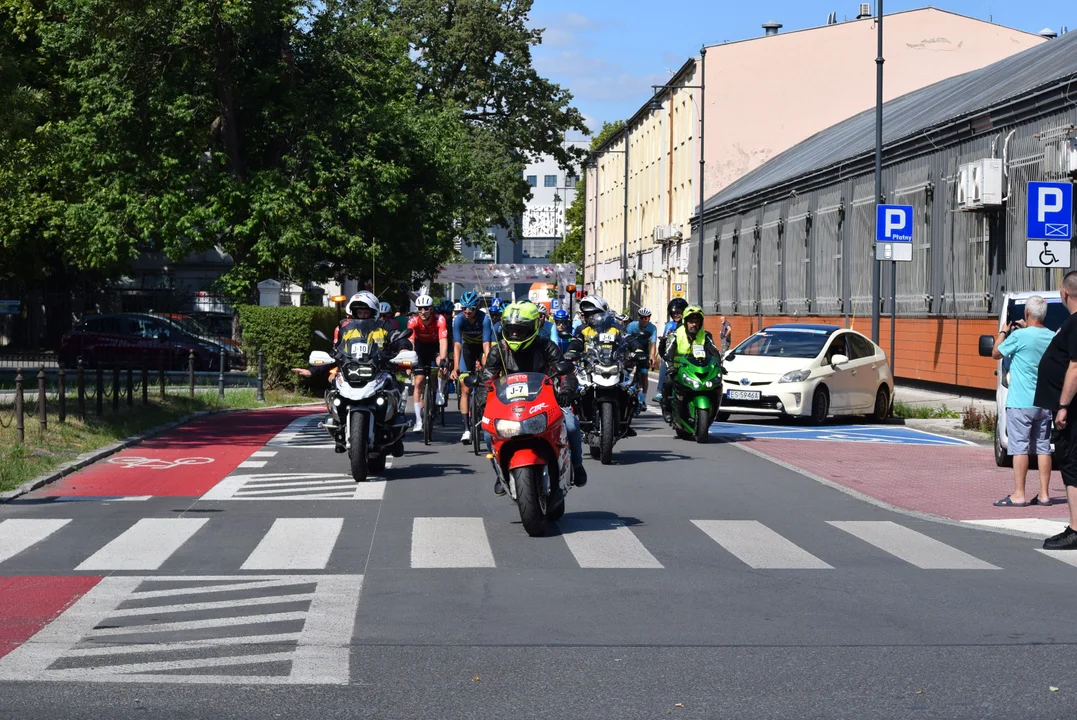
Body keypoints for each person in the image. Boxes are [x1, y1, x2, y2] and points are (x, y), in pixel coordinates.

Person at [481, 301, 587, 495]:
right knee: (488, 434)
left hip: (546, 402)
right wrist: (483, 402)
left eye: (520, 330)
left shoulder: (546, 345)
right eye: (511, 330)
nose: (514, 335)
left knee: (571, 424)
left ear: (533, 328)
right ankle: (499, 472)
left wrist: (565, 393)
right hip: (508, 407)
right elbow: (487, 379)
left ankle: (578, 465)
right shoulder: (499, 350)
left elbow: (565, 372)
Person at [991, 295, 1054, 507]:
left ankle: (1019, 494)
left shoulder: (1019, 337)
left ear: (1027, 313)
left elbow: (995, 353)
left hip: (1021, 402)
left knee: (1020, 448)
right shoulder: (1051, 337)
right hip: (1044, 402)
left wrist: (1003, 331)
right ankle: (1044, 494)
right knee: (1043, 448)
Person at [1037, 273, 1077, 550]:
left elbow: (1075, 366)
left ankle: (1076, 529)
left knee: (1072, 465)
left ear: (1064, 293)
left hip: (1071, 410)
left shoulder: (1076, 322)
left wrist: (1063, 406)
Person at [660, 304, 721, 416]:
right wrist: (671, 367)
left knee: (717, 385)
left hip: (699, 368)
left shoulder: (706, 335)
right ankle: (667, 409)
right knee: (668, 382)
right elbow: (668, 354)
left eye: (696, 321)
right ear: (685, 321)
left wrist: (719, 365)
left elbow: (714, 352)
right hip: (679, 368)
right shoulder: (676, 335)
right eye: (691, 321)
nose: (694, 324)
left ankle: (713, 411)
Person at [451, 291, 493, 443]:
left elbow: (486, 345)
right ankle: (466, 430)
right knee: (465, 387)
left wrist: (489, 366)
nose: (467, 312)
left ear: (477, 308)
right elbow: (457, 345)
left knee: (488, 379)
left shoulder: (485, 319)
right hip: (467, 348)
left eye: (471, 309)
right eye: (464, 308)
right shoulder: (458, 320)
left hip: (481, 348)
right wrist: (456, 367)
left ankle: (486, 413)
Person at [407, 295, 449, 433]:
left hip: (435, 347)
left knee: (442, 366)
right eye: (420, 309)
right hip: (420, 348)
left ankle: (440, 392)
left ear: (431, 310)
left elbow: (443, 341)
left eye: (426, 309)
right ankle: (418, 420)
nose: (423, 311)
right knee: (418, 381)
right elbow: (411, 343)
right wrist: (410, 362)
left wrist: (443, 360)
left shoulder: (440, 319)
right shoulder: (413, 321)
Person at [654, 297, 688, 404]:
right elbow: (664, 343)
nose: (676, 315)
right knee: (664, 363)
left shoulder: (689, 324)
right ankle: (660, 391)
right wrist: (666, 337)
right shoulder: (669, 325)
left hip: (686, 355)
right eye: (674, 313)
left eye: (679, 313)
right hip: (672, 354)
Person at [626, 307, 658, 412]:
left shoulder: (652, 328)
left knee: (644, 374)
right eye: (642, 318)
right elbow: (625, 341)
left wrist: (652, 357)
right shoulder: (631, 326)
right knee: (627, 370)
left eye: (646, 318)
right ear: (638, 318)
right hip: (632, 350)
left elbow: (653, 345)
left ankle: (643, 399)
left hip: (644, 352)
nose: (644, 320)